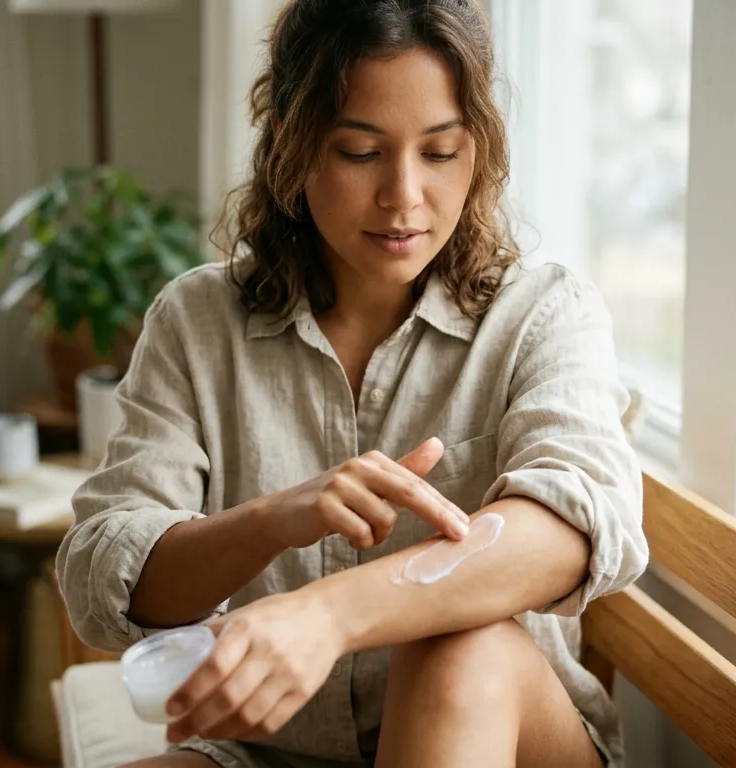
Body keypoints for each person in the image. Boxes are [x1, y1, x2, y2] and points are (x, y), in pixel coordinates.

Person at [56, 1, 648, 765]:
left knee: (456, 649)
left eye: (439, 153)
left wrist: (328, 615)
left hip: (507, 735)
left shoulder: (543, 313)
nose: (403, 195)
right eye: (361, 152)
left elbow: (575, 529)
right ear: (294, 150)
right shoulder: (198, 320)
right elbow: (103, 576)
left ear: (479, 154)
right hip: (268, 752)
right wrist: (273, 519)